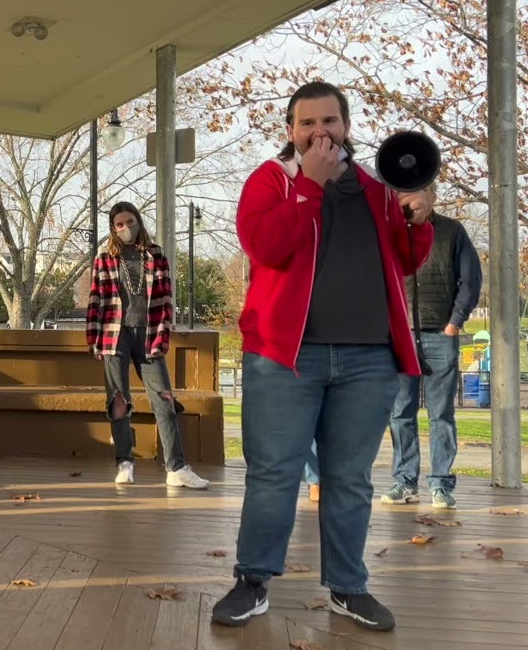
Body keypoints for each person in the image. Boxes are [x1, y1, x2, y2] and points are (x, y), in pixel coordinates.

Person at [213, 82, 433, 632]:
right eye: (307, 124)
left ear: (347, 126)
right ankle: (253, 580)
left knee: (350, 479)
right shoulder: (270, 181)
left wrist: (419, 220)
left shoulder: (379, 191)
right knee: (273, 474)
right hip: (285, 358)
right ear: (290, 130)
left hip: (368, 360)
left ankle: (348, 588)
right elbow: (266, 247)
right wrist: (309, 186)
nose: (319, 132)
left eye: (329, 122)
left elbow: (405, 261)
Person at [85, 201, 209, 490]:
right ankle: (124, 462)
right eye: (119, 224)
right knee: (118, 401)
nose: (125, 228)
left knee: (164, 397)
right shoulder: (104, 256)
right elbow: (95, 300)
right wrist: (94, 341)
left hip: (149, 333)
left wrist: (164, 334)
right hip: (114, 335)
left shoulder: (156, 255)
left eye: (130, 221)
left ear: (138, 221)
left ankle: (176, 467)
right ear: (112, 229)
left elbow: (166, 300)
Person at [383, 196, 481, 510]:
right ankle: (404, 481)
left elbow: (470, 280)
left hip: (441, 333)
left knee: (441, 415)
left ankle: (440, 484)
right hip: (402, 335)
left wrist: (454, 323)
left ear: (432, 196)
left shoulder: (452, 231)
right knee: (400, 413)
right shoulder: (390, 230)